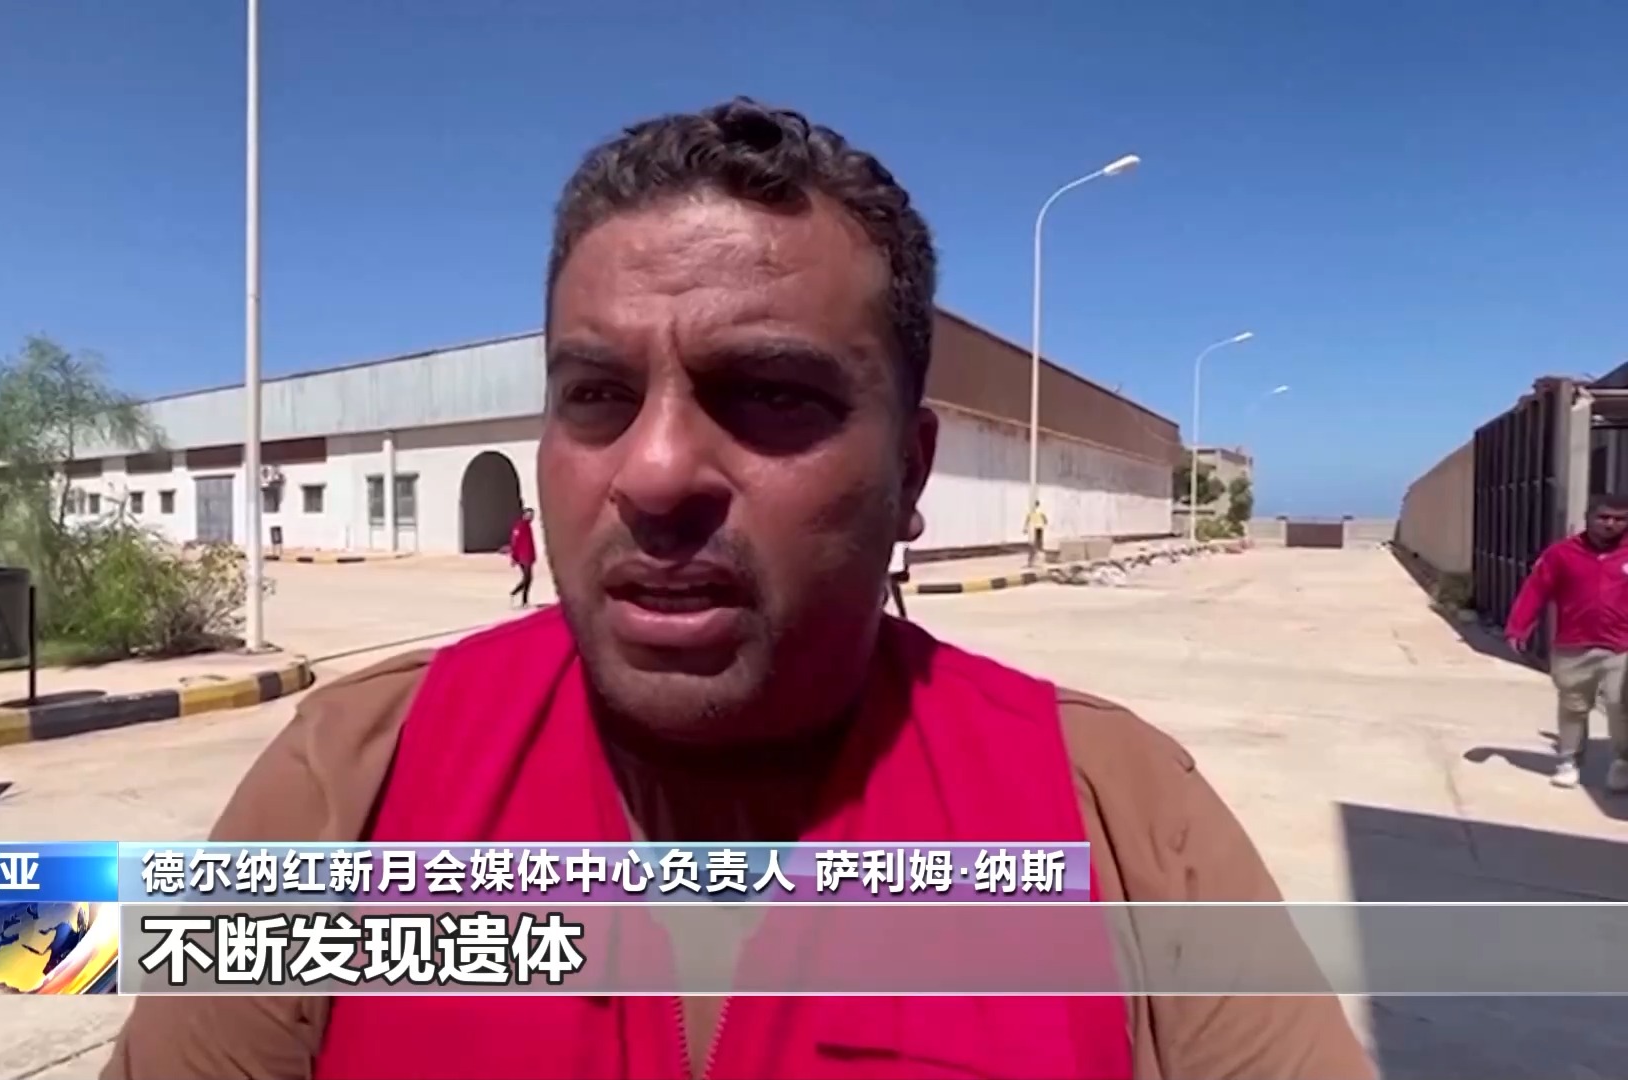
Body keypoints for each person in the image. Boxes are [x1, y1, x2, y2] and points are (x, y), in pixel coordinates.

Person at [106, 98, 1373, 1080]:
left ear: (910, 469)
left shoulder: (1115, 821)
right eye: (596, 395)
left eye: (769, 396)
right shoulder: (352, 783)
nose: (655, 473)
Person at [1503, 493, 1628, 792]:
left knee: (1619, 704)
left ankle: (1623, 762)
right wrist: (1518, 628)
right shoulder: (1561, 554)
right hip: (1574, 645)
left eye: (1620, 519)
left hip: (1622, 646)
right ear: (1589, 518)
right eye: (1604, 517)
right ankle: (1569, 760)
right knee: (1573, 706)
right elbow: (1536, 590)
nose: (1611, 524)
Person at [507, 506, 536, 608]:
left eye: (532, 515)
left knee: (528, 579)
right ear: (524, 515)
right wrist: (514, 557)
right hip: (523, 556)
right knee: (527, 578)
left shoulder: (528, 526)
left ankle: (524, 600)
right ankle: (515, 594)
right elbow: (514, 541)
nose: (531, 517)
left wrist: (533, 556)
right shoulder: (520, 526)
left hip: (528, 556)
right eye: (529, 515)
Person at [886, 541, 910, 618]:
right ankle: (902, 614)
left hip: (892, 567)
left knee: (891, 590)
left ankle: (902, 614)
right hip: (896, 567)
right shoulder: (902, 541)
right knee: (894, 591)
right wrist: (906, 567)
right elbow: (906, 554)